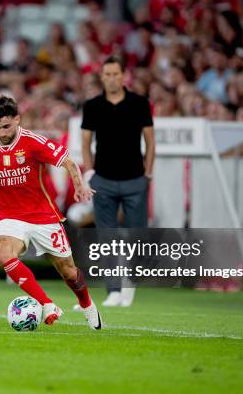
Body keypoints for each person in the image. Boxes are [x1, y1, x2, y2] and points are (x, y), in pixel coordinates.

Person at [0, 95, 102, 330]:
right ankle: (46, 304)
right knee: (3, 254)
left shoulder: (34, 142)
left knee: (69, 272)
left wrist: (80, 185)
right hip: (11, 218)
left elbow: (68, 161)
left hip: (44, 216)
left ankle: (87, 305)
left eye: (6, 126)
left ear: (17, 120)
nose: (1, 133)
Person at [81, 56, 155, 307]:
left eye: (116, 73)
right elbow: (85, 142)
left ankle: (131, 281)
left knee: (138, 236)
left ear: (124, 76)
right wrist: (89, 172)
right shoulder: (92, 106)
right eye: (107, 74)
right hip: (103, 179)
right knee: (106, 237)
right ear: (101, 77)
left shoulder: (140, 103)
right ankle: (113, 290)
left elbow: (150, 141)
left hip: (135, 179)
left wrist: (148, 173)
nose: (112, 78)